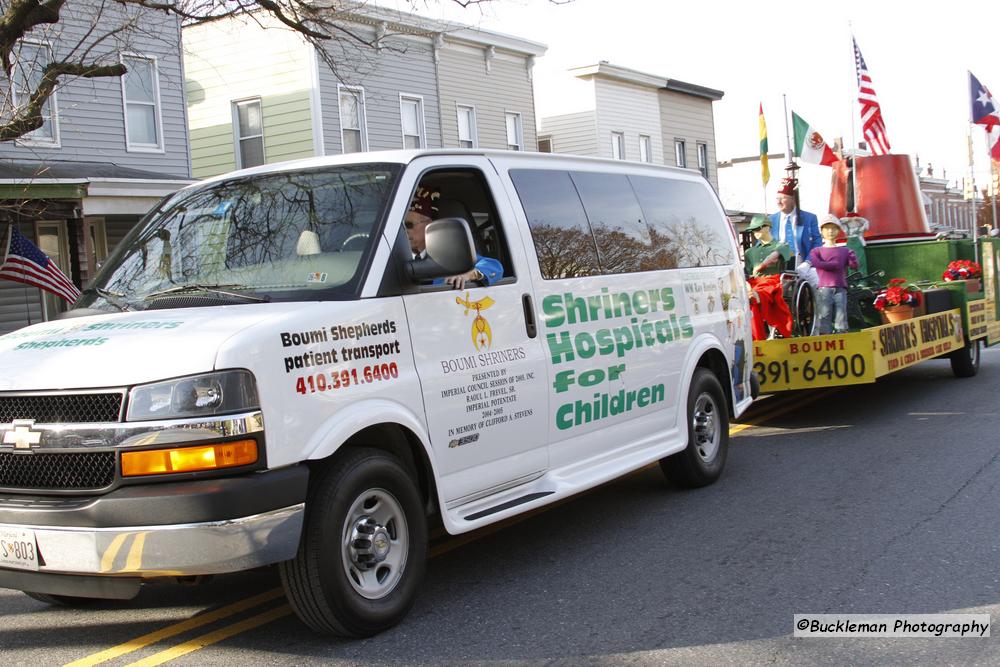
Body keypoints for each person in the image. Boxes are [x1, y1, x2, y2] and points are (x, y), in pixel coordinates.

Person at [406, 186, 503, 290]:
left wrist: (469, 274)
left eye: (409, 225)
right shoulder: (395, 257)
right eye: (401, 226)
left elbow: (495, 267)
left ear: (429, 225)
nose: (405, 231)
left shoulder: (450, 255)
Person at [743, 215, 794, 340]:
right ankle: (754, 337)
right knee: (747, 297)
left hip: (773, 280)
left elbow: (774, 256)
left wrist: (762, 266)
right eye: (753, 230)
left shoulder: (782, 245)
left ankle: (758, 338)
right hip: (753, 282)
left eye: (757, 229)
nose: (755, 233)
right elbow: (747, 272)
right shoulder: (749, 252)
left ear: (767, 227)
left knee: (755, 296)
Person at [808, 214, 858, 334]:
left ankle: (842, 335)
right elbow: (817, 264)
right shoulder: (816, 251)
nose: (830, 231)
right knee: (824, 314)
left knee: (841, 314)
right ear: (822, 231)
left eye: (834, 228)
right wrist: (835, 264)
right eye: (827, 228)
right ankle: (826, 336)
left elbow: (854, 266)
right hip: (824, 288)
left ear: (838, 231)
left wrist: (852, 258)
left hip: (840, 287)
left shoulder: (844, 251)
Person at [769, 178, 821, 268]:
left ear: (793, 199)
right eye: (777, 198)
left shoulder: (809, 218)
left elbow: (817, 243)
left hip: (803, 264)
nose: (778, 202)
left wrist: (808, 262)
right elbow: (761, 244)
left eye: (783, 198)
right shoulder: (770, 220)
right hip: (778, 266)